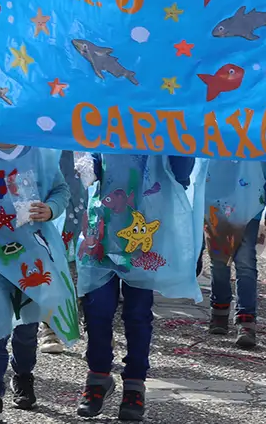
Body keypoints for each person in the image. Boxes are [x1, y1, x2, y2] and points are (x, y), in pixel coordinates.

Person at [0, 141, 75, 423]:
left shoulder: (40, 152)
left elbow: (60, 189)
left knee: (27, 324)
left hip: (30, 255)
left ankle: (23, 375)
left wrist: (51, 209)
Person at [77, 153, 201, 421]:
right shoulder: (104, 117)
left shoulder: (162, 122)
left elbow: (181, 173)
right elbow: (90, 162)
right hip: (103, 229)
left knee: (137, 313)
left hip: (144, 234)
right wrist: (86, 166)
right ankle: (97, 377)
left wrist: (178, 145)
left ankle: (135, 383)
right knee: (96, 308)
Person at [195, 158, 266, 349]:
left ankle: (246, 320)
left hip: (248, 205)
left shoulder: (258, 133)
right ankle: (219, 310)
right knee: (219, 262)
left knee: (245, 263)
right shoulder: (212, 131)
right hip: (213, 206)